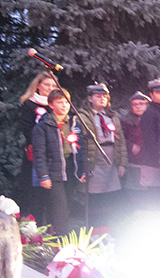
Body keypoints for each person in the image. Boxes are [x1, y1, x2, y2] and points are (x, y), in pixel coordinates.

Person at [31, 89, 85, 235]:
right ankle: (62, 238)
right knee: (59, 206)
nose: (64, 105)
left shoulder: (74, 123)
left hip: (70, 169)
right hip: (53, 170)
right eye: (59, 102)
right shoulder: (43, 126)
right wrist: (43, 176)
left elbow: (81, 150)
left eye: (66, 102)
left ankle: (56, 234)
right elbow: (39, 154)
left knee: (67, 205)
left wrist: (82, 170)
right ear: (50, 104)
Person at [78, 83, 127, 227]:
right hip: (95, 157)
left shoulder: (113, 116)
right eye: (98, 96)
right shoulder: (84, 116)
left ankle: (107, 229)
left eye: (104, 97)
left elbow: (121, 140)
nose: (102, 99)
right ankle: (95, 230)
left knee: (110, 194)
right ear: (90, 99)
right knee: (95, 195)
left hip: (112, 157)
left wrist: (122, 163)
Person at [19, 72, 58, 220]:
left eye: (53, 85)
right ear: (38, 86)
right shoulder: (29, 104)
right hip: (34, 153)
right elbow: (27, 129)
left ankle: (50, 228)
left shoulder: (55, 105)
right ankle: (33, 227)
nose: (50, 88)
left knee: (51, 194)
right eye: (47, 84)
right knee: (34, 191)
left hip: (54, 154)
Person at [139, 78, 160, 203]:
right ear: (151, 95)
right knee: (156, 200)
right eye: (158, 92)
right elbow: (151, 142)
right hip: (154, 164)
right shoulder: (150, 114)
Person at [121, 91, 150, 204]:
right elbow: (121, 138)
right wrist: (131, 146)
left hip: (150, 161)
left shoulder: (152, 118)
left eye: (141, 103)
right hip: (135, 160)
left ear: (147, 105)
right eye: (135, 104)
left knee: (149, 190)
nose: (138, 106)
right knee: (135, 189)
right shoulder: (126, 121)